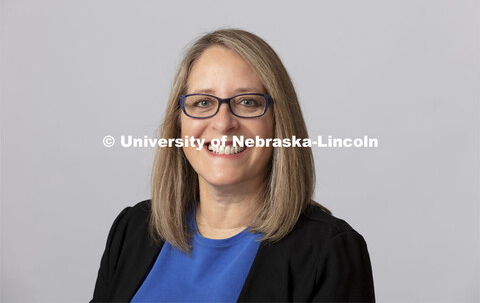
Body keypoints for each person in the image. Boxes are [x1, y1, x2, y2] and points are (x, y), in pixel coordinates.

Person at [91, 28, 375, 302]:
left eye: (247, 102)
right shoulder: (133, 228)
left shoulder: (328, 250)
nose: (224, 123)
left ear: (279, 123)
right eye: (202, 102)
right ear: (178, 123)